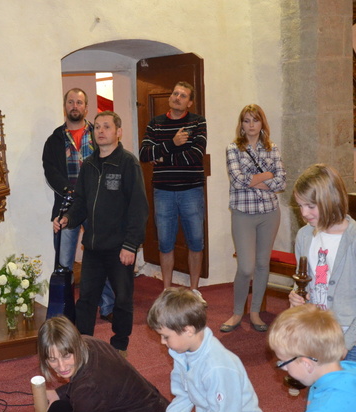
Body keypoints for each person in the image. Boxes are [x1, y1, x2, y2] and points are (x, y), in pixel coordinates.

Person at [54, 111, 148, 356]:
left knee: (123, 299)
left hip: (120, 248)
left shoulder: (128, 164)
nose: (101, 131)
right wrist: (67, 218)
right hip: (93, 247)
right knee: (86, 299)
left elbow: (138, 208)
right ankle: (83, 345)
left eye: (107, 126)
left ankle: (120, 346)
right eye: (97, 127)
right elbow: (81, 202)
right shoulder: (89, 165)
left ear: (118, 132)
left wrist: (131, 245)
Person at [42, 88, 115, 322]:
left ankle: (108, 306)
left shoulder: (97, 135)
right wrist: (69, 191)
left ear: (86, 107)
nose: (75, 106)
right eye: (71, 102)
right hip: (67, 207)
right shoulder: (54, 139)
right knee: (64, 263)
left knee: (101, 256)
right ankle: (65, 311)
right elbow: (50, 171)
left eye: (79, 102)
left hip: (95, 206)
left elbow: (109, 165)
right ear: (65, 106)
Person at [139, 81, 208, 305]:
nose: (177, 97)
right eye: (175, 93)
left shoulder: (198, 122)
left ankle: (195, 290)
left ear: (189, 102)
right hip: (163, 191)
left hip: (191, 190)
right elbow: (144, 154)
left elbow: (196, 155)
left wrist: (161, 156)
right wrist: (173, 143)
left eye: (183, 95)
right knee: (165, 242)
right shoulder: (155, 123)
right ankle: (167, 290)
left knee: (195, 241)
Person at [221, 104, 286, 333]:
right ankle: (237, 312)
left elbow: (281, 182)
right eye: (246, 120)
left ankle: (256, 312)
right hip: (243, 213)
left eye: (255, 120)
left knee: (261, 264)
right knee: (246, 267)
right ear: (241, 124)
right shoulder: (233, 149)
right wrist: (267, 175)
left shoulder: (272, 148)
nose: (251, 125)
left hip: (269, 213)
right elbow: (238, 181)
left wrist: (255, 179)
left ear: (262, 123)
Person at [147, 288, 263, 412]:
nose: (162, 342)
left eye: (166, 336)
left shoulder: (217, 367)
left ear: (188, 331)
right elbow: (184, 396)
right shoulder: (182, 354)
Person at [289, 164, 356, 361]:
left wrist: (346, 343)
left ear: (331, 200)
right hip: (316, 331)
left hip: (349, 337)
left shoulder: (352, 238)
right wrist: (296, 295)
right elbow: (302, 280)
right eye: (300, 206)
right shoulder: (304, 236)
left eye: (311, 206)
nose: (304, 213)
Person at [38, 316, 169, 412]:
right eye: (52, 359)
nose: (61, 366)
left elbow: (88, 388)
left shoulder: (88, 389)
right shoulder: (87, 342)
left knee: (57, 411)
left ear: (76, 346)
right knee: (58, 408)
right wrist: (58, 393)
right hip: (157, 406)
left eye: (66, 356)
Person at [268, 304, 356, 412]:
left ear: (307, 364)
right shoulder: (349, 368)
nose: (284, 368)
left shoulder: (322, 410)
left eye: (284, 363)